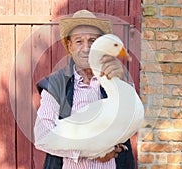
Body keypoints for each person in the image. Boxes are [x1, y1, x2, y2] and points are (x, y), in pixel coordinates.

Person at [34, 9, 135, 169]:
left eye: (93, 41)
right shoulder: (56, 84)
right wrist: (92, 151)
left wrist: (122, 82)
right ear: (70, 46)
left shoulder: (116, 79)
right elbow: (43, 136)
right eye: (79, 41)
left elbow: (132, 121)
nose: (86, 48)